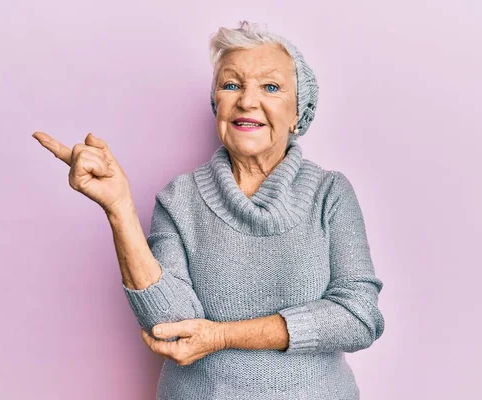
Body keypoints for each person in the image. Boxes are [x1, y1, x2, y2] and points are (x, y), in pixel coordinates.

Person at [32, 20, 385, 400]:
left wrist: (222, 335)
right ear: (217, 103)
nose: (247, 101)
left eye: (270, 87)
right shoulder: (179, 198)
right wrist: (119, 207)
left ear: (299, 113)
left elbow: (358, 317)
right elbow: (171, 324)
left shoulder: (331, 193)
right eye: (232, 84)